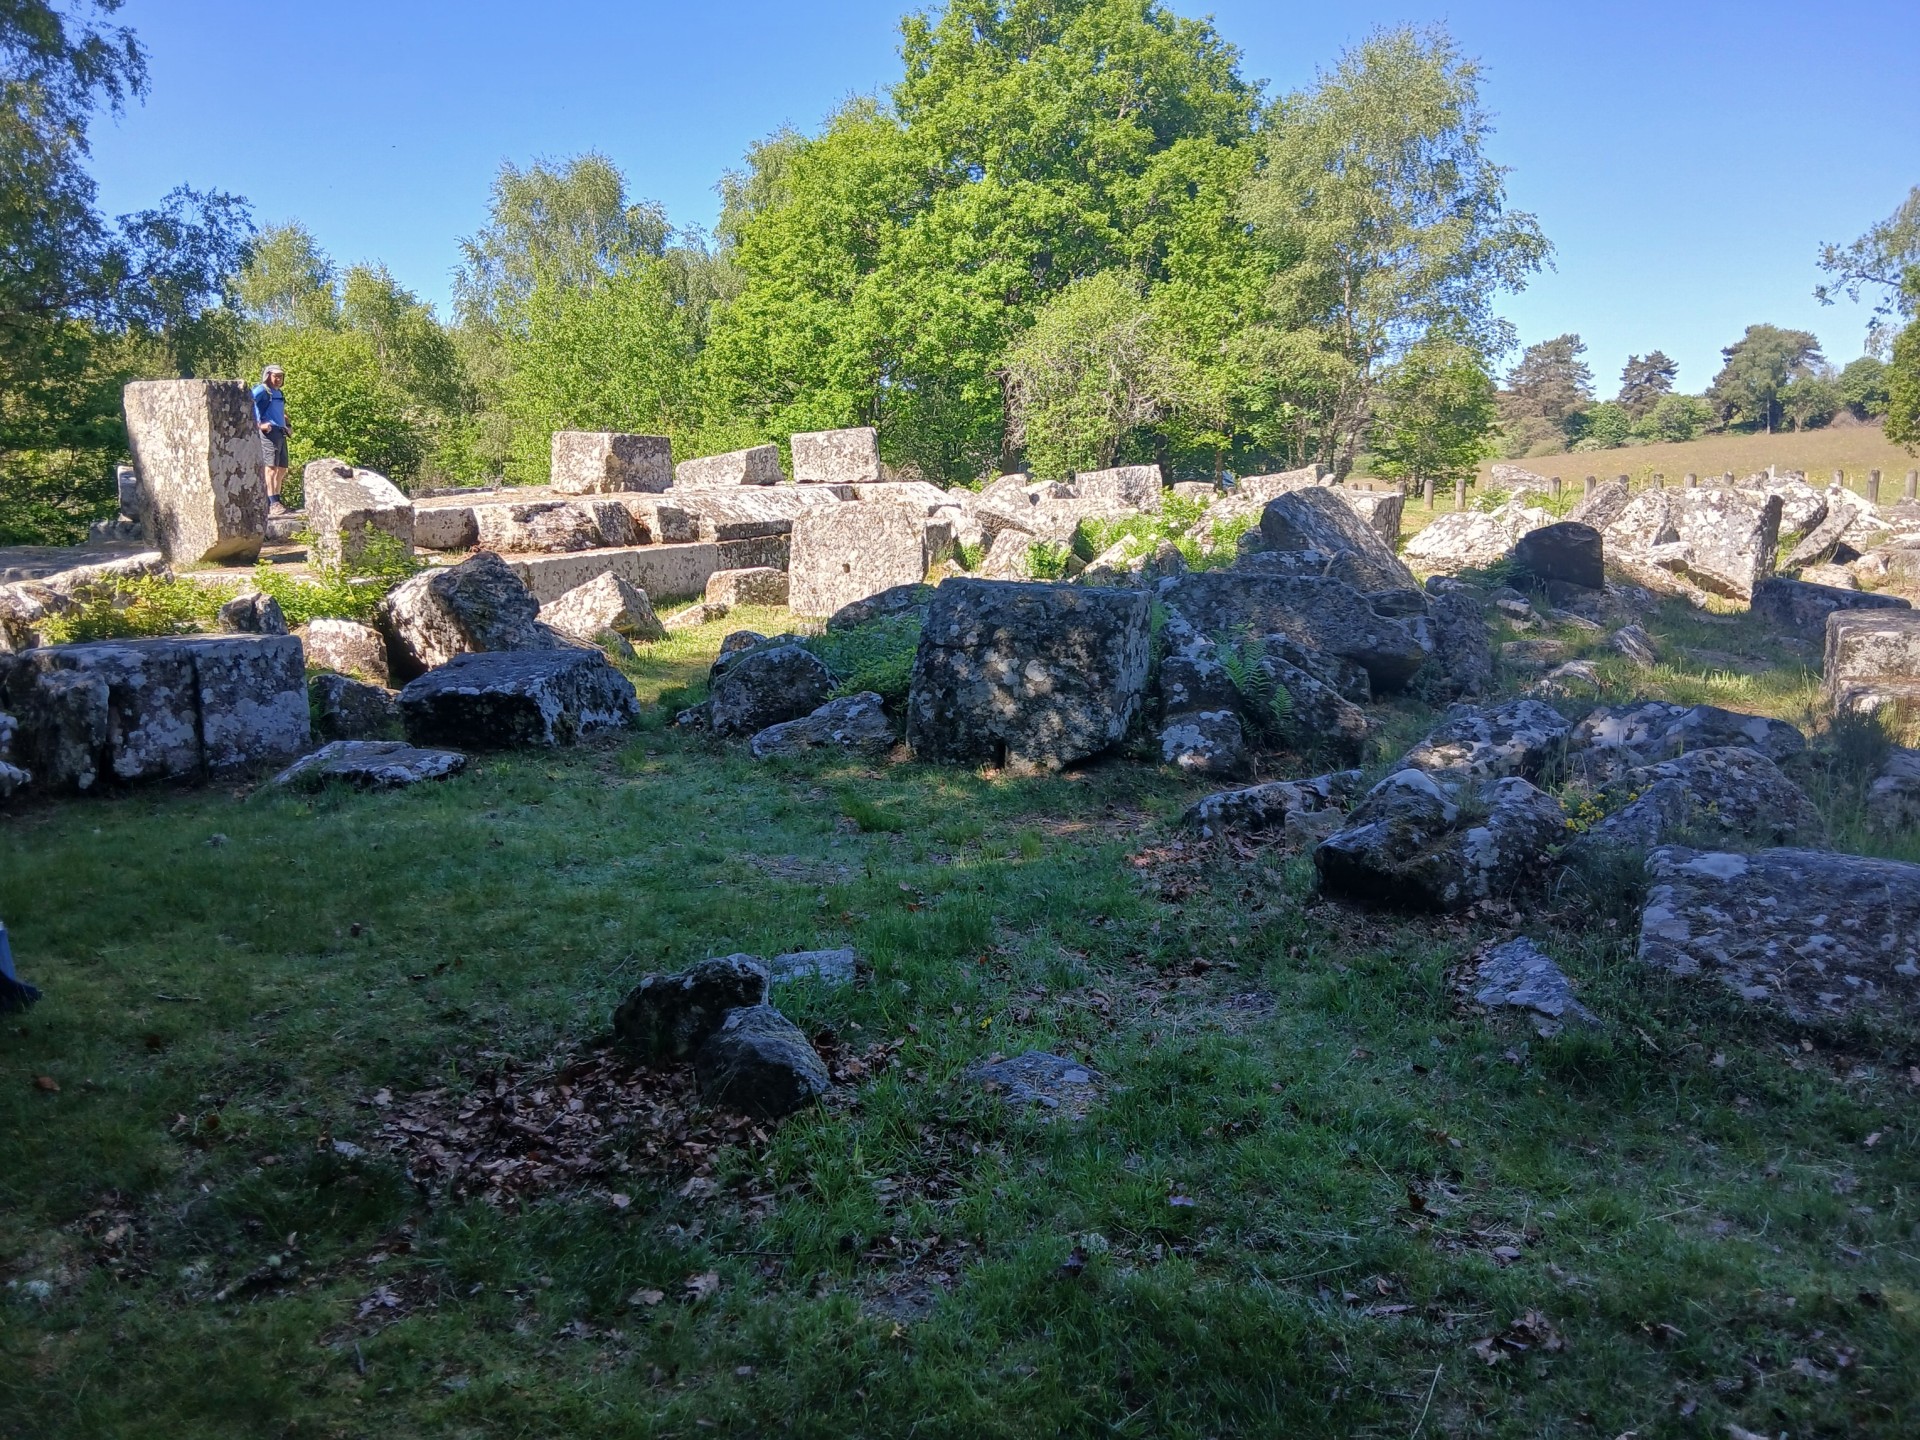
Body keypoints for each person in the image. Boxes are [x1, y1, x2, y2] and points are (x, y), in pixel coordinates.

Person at [252, 364, 290, 513]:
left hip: (280, 431)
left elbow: (281, 411)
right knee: (271, 468)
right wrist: (259, 424)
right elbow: (249, 401)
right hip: (269, 433)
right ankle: (272, 502)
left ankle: (276, 500)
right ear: (268, 376)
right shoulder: (262, 390)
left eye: (281, 376)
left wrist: (288, 424)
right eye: (276, 376)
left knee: (282, 469)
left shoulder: (278, 392)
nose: (279, 379)